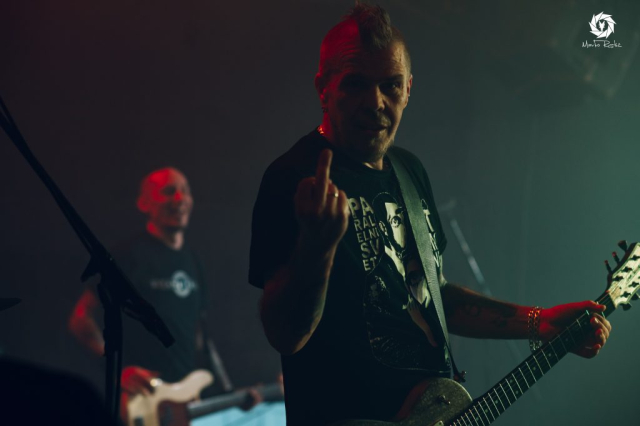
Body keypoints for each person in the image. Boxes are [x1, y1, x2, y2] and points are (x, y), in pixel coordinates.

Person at [248, 4, 612, 425]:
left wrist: (539, 322)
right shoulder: (293, 177)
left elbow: (434, 295)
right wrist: (317, 248)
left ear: (408, 90)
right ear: (323, 89)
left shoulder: (409, 171)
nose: (375, 102)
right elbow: (285, 336)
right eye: (356, 83)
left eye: (390, 85)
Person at [69, 167, 214, 403]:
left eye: (185, 191)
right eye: (169, 191)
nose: (180, 198)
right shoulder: (126, 257)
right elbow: (81, 317)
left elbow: (198, 333)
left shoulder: (194, 261)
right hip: (141, 400)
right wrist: (119, 369)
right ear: (144, 204)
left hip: (186, 399)